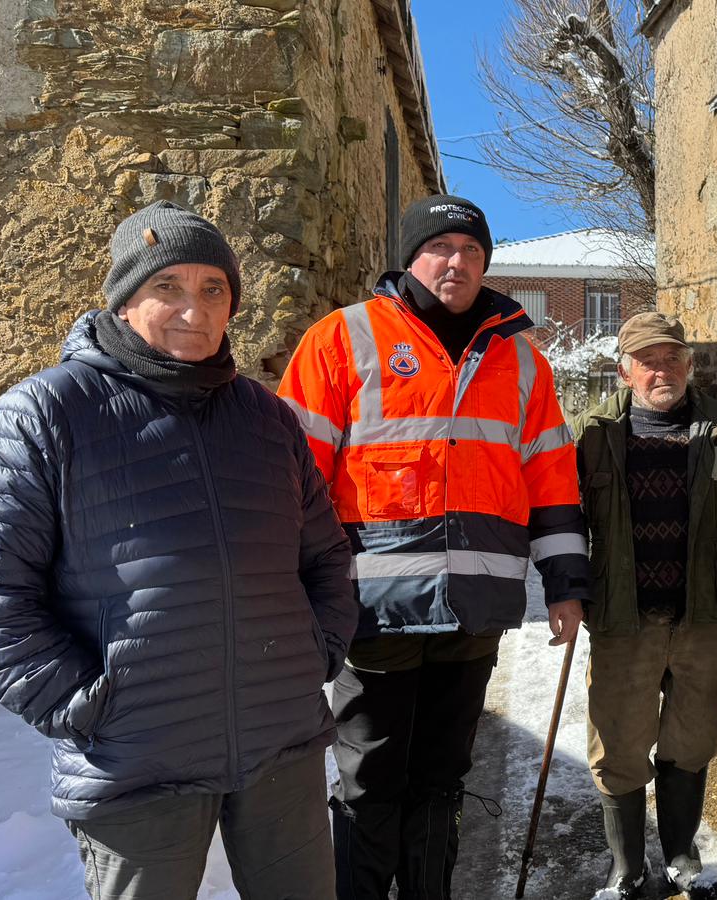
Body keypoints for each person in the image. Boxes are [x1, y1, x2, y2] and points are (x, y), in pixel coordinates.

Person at [0, 200, 356, 899]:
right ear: (125, 300)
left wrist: (315, 653)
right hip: (136, 767)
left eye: (213, 289)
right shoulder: (47, 413)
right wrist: (86, 704)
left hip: (280, 750)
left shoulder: (268, 420)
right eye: (168, 287)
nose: (193, 309)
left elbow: (326, 560)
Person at [277, 194, 591, 900]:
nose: (457, 263)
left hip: (475, 610)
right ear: (411, 257)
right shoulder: (341, 339)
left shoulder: (522, 361)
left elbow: (550, 474)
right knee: (372, 778)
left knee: (444, 778)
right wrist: (294, 590)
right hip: (373, 611)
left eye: (473, 252)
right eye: (440, 248)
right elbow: (291, 480)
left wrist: (567, 583)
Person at [574, 312, 717, 899]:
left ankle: (681, 854)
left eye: (672, 357)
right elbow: (561, 518)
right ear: (626, 370)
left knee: (691, 737)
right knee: (620, 743)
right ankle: (626, 867)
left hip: (704, 614)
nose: (663, 369)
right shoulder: (591, 433)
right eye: (648, 360)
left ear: (688, 364)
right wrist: (567, 587)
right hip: (623, 616)